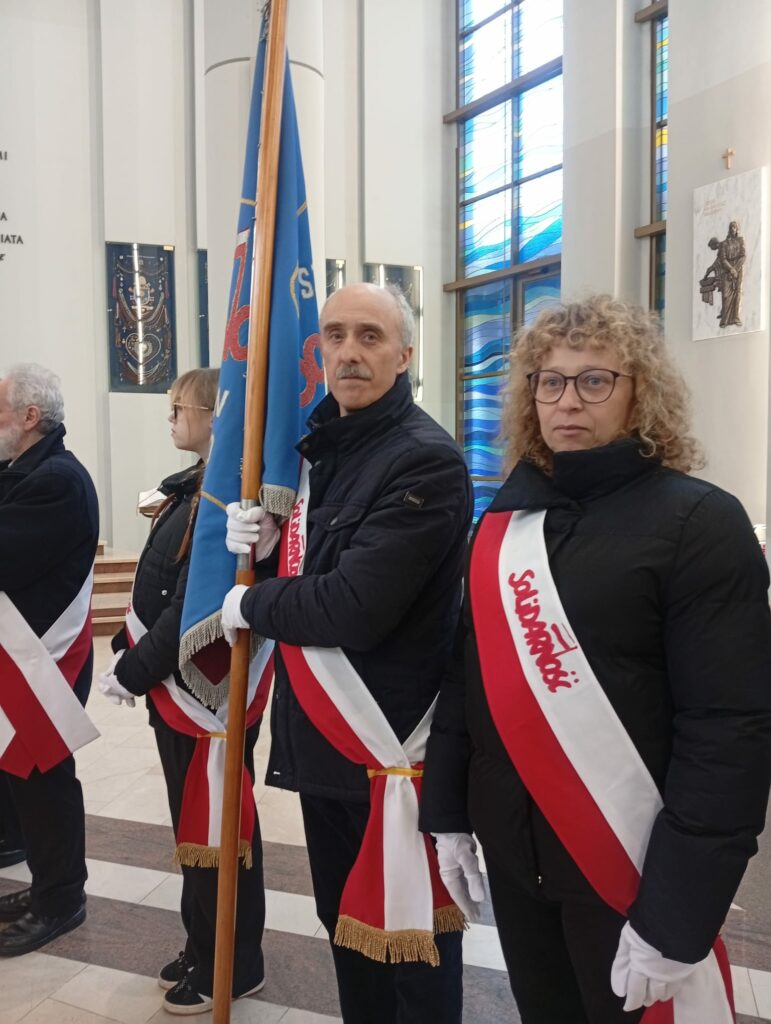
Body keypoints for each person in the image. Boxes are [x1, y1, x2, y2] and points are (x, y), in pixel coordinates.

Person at [420, 295, 771, 1023]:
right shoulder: (505, 521)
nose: (567, 400)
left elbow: (728, 732)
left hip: (629, 863)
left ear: (641, 392)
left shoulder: (700, 523)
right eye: (549, 381)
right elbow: (465, 681)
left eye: (594, 380)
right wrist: (448, 813)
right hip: (515, 858)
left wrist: (678, 913)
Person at [220, 283, 473, 1024]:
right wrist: (268, 556)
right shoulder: (321, 451)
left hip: (387, 745)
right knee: (347, 929)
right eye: (334, 335)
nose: (349, 352)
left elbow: (353, 608)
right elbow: (318, 573)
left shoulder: (424, 460)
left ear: (405, 354)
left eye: (369, 336)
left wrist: (250, 603)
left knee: (411, 946)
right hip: (327, 740)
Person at [97, 368, 267, 1015]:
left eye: (178, 407)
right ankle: (203, 942)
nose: (170, 417)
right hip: (177, 689)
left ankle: (234, 962)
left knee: (219, 831)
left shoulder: (224, 496)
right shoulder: (194, 486)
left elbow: (192, 606)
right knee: (194, 829)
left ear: (213, 415)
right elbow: (158, 584)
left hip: (203, 691)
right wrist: (129, 644)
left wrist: (132, 670)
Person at [0, 363, 99, 955]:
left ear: (30, 417)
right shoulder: (26, 471)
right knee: (22, 775)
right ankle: (42, 884)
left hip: (44, 661)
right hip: (21, 658)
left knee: (44, 779)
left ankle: (61, 899)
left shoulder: (57, 480)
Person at [718, 220, 746, 327]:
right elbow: (723, 259)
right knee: (725, 295)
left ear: (737, 229)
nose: (732, 229)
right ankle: (724, 319)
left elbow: (743, 256)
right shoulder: (724, 244)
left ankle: (736, 317)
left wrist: (736, 269)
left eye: (734, 227)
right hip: (727, 270)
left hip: (738, 268)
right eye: (731, 227)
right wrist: (731, 269)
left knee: (737, 292)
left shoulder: (741, 240)